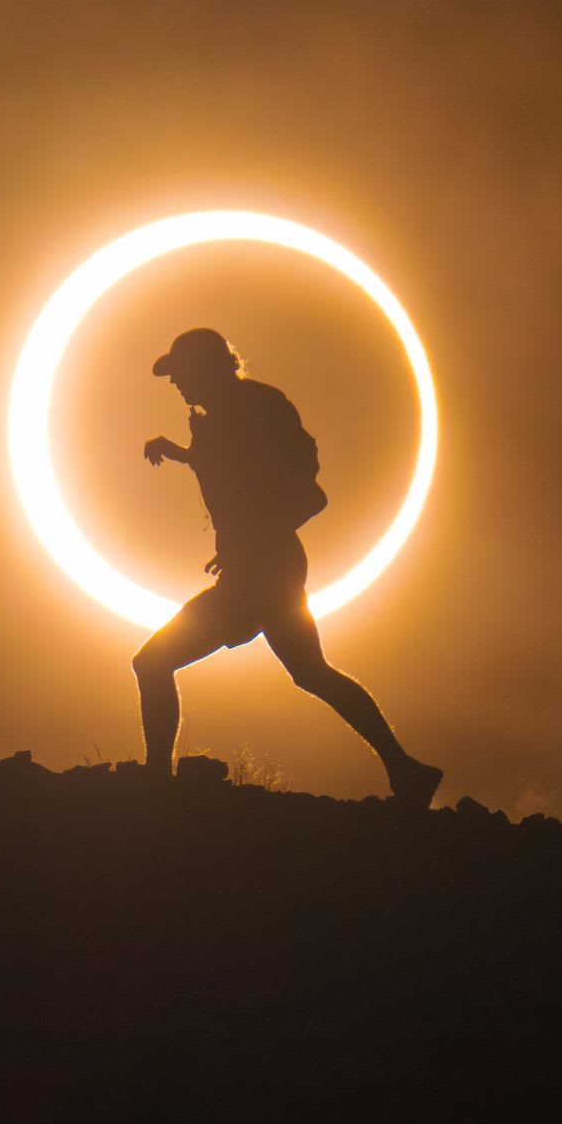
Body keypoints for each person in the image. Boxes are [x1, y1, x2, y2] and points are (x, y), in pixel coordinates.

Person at [133, 327, 444, 807]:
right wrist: (182, 455)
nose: (176, 384)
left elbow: (307, 493)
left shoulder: (254, 410)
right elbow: (232, 471)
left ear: (207, 368)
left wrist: (254, 541)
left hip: (261, 573)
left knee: (152, 662)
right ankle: (407, 769)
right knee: (311, 672)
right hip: (264, 567)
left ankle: (155, 782)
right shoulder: (223, 417)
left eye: (181, 373)